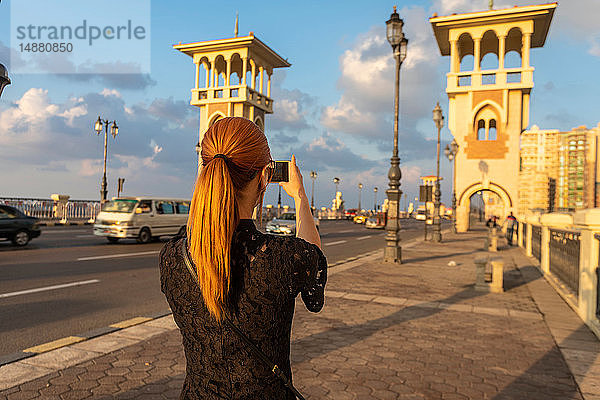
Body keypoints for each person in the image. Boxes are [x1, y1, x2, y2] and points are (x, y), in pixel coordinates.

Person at [159, 117, 326, 399]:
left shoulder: (172, 256)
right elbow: (315, 263)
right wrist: (299, 196)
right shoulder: (283, 258)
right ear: (264, 178)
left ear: (205, 170)